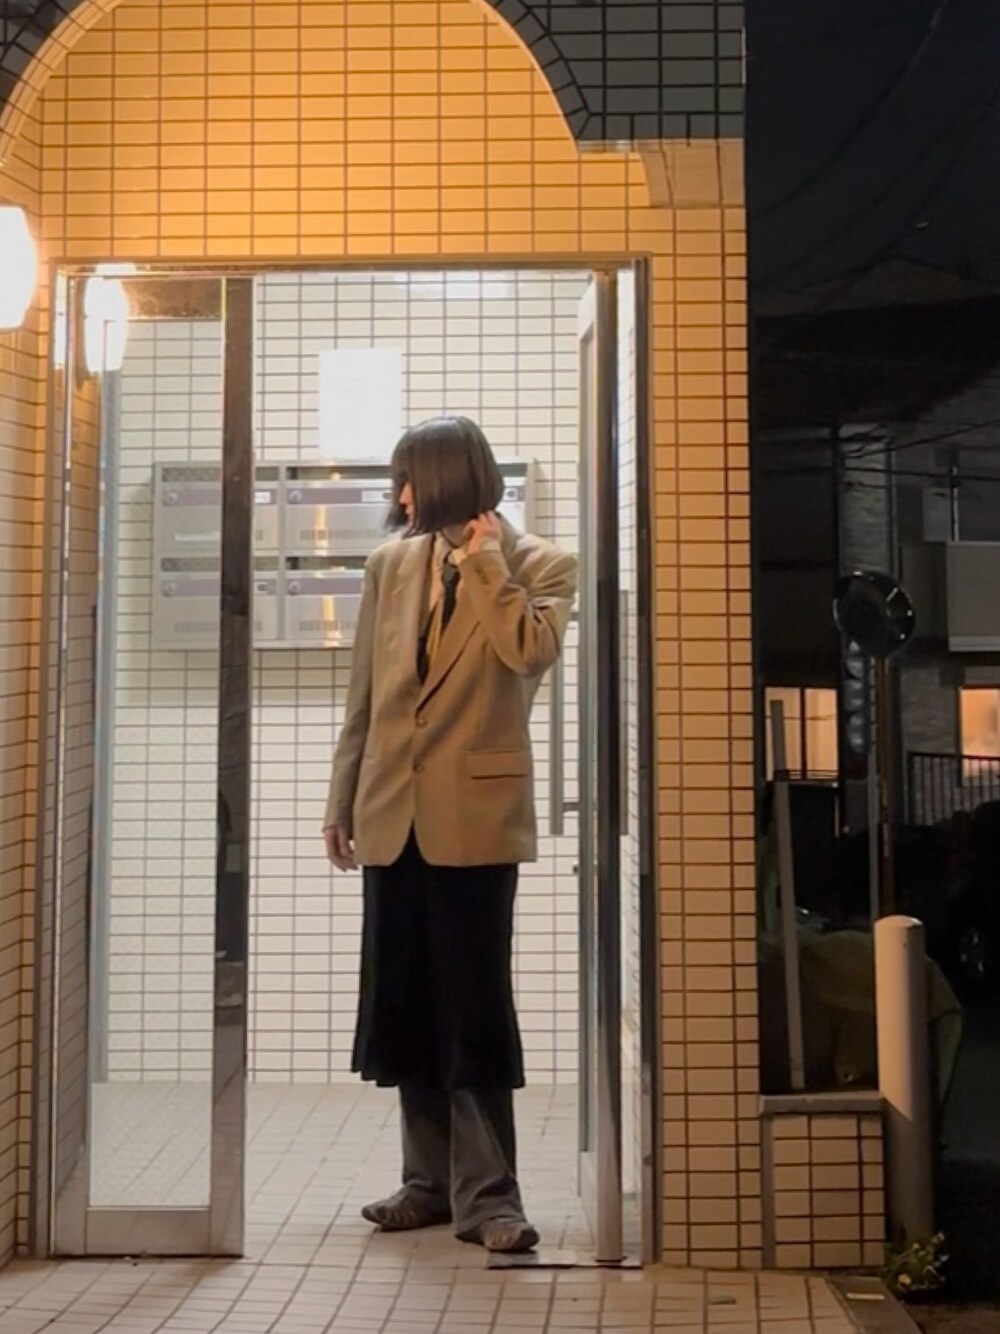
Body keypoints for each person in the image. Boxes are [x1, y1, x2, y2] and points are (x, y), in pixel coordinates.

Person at [323, 415, 577, 1254]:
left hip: (475, 822)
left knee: (474, 1009)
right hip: (390, 813)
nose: (399, 496)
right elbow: (365, 695)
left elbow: (527, 652)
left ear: (445, 481)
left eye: (408, 479)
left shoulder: (543, 563)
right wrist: (340, 800)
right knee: (406, 1004)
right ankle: (427, 1184)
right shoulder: (390, 565)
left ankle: (491, 1200)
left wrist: (487, 564)